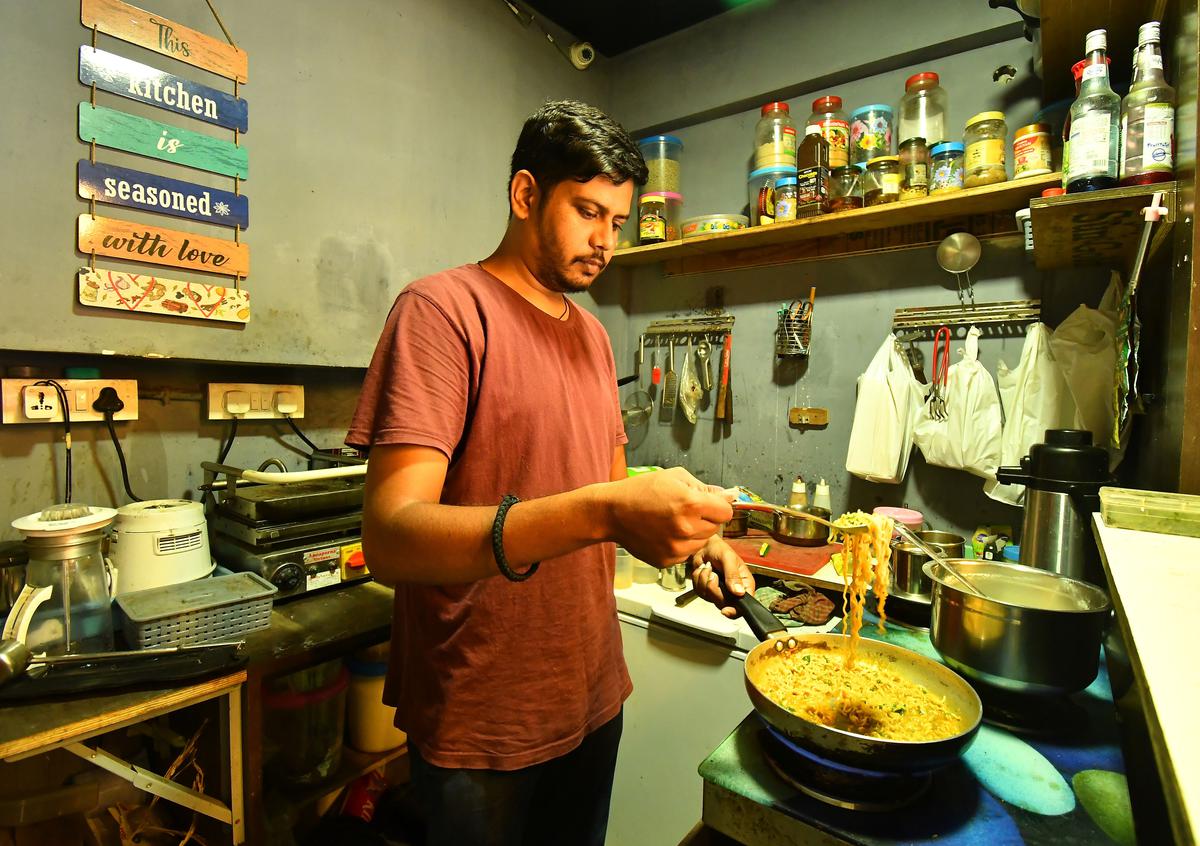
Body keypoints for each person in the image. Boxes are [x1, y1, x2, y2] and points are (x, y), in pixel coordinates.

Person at [346, 99, 754, 846]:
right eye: (587, 212)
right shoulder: (443, 312)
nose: (605, 243)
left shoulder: (594, 338)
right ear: (526, 195)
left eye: (618, 224)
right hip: (484, 712)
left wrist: (692, 541)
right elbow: (393, 538)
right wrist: (601, 511)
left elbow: (614, 490)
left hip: (591, 690)